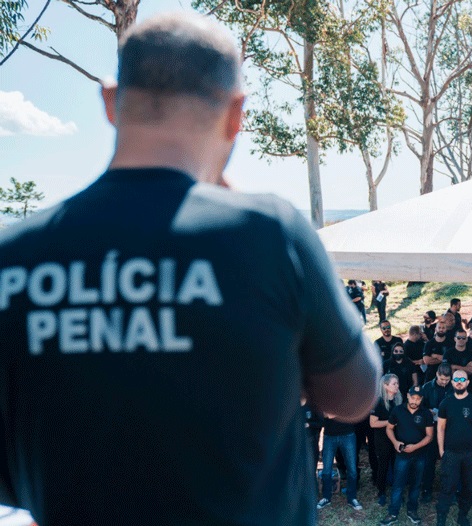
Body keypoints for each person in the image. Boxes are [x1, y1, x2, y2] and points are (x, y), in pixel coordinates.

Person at [0, 13, 383, 526]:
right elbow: (354, 396)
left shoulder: (15, 255)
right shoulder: (269, 235)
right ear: (236, 114)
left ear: (111, 102)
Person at [436, 370, 472, 526]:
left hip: (471, 454)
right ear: (452, 382)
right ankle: (441, 519)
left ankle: (462, 516)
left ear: (467, 383)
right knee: (447, 487)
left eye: (462, 379)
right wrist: (441, 451)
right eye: (456, 379)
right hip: (450, 453)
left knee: (468, 487)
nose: (459, 381)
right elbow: (440, 428)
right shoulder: (446, 403)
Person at [380, 386, 433, 526]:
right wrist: (395, 442)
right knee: (398, 485)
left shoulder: (426, 413)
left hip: (420, 455)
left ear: (421, 399)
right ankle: (393, 513)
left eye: (418, 398)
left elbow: (429, 436)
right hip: (402, 455)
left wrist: (415, 447)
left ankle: (412, 511)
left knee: (415, 485)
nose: (415, 401)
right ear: (408, 396)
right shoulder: (398, 410)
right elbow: (389, 428)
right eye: (413, 397)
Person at [420, 363, 453, 501]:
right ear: (437, 375)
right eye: (442, 379)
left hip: (449, 429)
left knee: (449, 461)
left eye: (447, 380)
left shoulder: (454, 387)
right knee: (429, 461)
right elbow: (419, 407)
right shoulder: (427, 387)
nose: (444, 382)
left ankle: (448, 491)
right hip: (432, 428)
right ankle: (427, 489)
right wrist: (428, 411)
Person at [318, 414, 363, 511]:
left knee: (352, 470)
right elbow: (324, 413)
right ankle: (326, 497)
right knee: (326, 470)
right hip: (329, 436)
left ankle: (352, 498)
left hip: (348, 435)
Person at [370, 374, 403, 506]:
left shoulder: (400, 400)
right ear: (385, 385)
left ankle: (397, 492)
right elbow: (373, 423)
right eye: (394, 383)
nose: (397, 386)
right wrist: (390, 423)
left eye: (397, 383)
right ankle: (381, 492)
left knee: (398, 466)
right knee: (383, 465)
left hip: (398, 438)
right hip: (382, 439)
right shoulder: (378, 402)